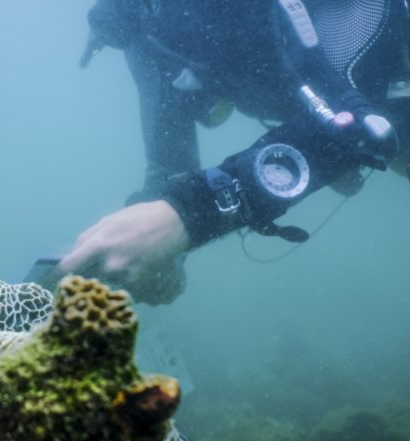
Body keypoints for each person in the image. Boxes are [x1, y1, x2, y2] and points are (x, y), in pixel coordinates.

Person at [55, 0, 410, 304]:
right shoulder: (143, 18)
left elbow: (382, 118)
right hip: (304, 104)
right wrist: (156, 228)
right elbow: (167, 134)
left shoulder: (354, 15)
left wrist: (191, 213)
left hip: (364, 91)